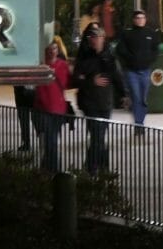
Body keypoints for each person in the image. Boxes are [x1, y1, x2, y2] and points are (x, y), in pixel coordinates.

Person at [72, 23, 126, 176]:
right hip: (89, 102)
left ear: (103, 39)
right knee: (97, 135)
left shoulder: (109, 55)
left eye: (97, 37)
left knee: (99, 136)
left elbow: (116, 75)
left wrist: (124, 95)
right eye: (92, 37)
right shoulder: (84, 55)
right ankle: (94, 169)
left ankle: (97, 166)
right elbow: (76, 78)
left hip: (105, 102)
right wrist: (90, 81)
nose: (94, 40)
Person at [116, 9, 160, 135]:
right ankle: (138, 124)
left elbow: (155, 49)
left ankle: (140, 122)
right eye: (138, 18)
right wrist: (130, 60)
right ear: (134, 20)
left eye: (142, 18)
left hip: (145, 70)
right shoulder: (127, 34)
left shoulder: (151, 33)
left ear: (145, 19)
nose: (140, 20)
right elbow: (120, 50)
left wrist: (149, 60)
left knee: (143, 100)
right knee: (136, 98)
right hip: (132, 72)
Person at [34, 40, 71, 172]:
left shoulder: (62, 65)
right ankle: (53, 168)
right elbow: (39, 89)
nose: (52, 51)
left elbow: (67, 83)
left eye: (54, 48)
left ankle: (49, 167)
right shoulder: (41, 66)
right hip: (45, 109)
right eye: (49, 48)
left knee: (52, 139)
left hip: (58, 109)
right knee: (51, 140)